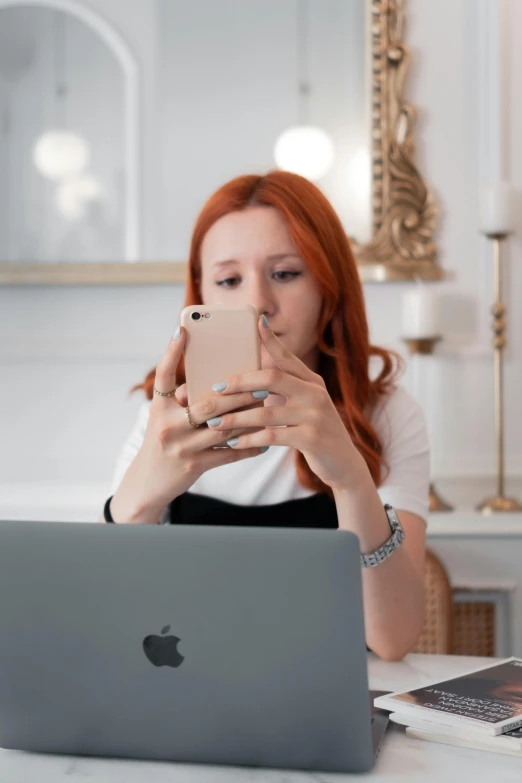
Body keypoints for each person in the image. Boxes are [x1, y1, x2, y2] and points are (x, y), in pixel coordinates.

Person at [100, 171, 429, 661]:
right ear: (201, 296)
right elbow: (114, 625)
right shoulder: (165, 418)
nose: (257, 305)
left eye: (285, 273)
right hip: (191, 687)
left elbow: (393, 639)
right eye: (229, 280)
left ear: (328, 287)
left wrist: (352, 481)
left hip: (326, 688)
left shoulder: (384, 413)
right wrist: (139, 500)